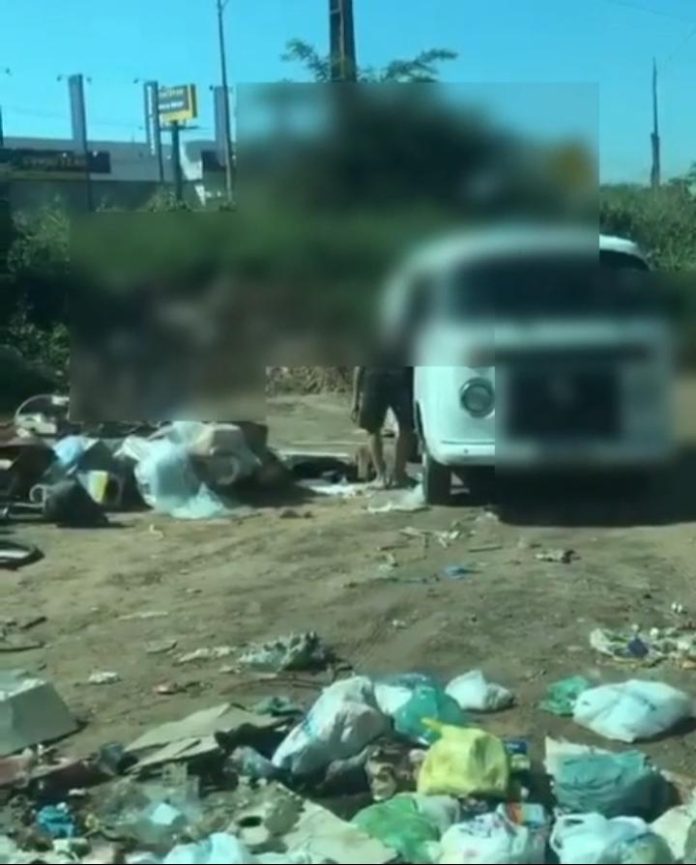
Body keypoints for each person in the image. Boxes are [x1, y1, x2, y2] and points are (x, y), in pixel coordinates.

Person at [351, 365, 415, 488]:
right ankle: (395, 476)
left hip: (383, 376)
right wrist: (355, 399)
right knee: (405, 427)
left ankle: (386, 476)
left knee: (402, 426)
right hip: (392, 377)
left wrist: (355, 399)